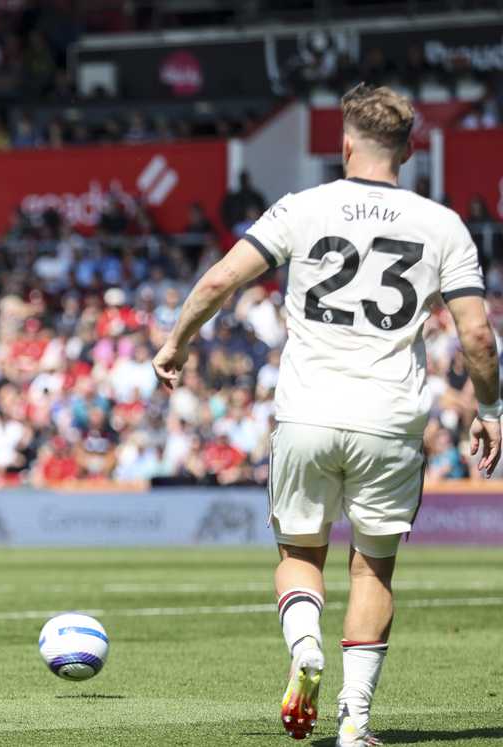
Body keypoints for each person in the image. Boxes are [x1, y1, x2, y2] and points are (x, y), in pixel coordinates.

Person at [152, 84, 500, 747]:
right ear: (409, 151)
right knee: (372, 569)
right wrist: (491, 408)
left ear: (345, 144)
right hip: (390, 420)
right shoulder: (443, 225)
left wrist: (177, 343)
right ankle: (355, 723)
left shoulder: (302, 206)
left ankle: (305, 644)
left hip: (306, 412)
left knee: (298, 553)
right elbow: (477, 336)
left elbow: (220, 279)